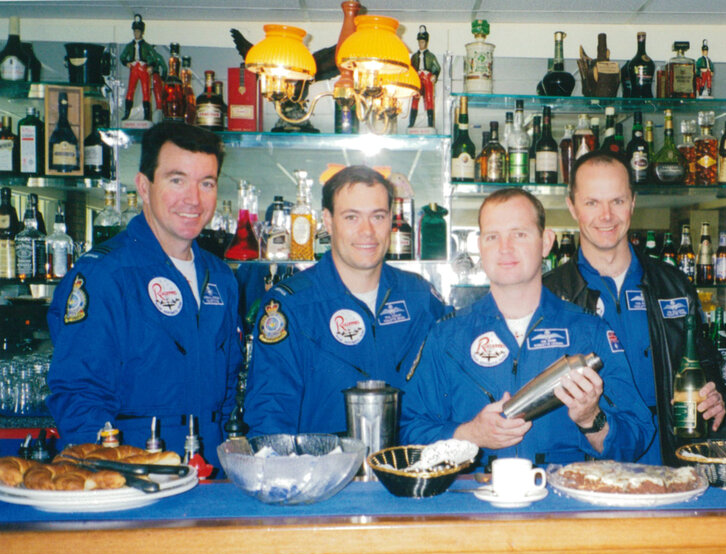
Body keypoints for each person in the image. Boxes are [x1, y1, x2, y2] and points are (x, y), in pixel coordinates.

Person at [402, 187, 654, 468]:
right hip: (474, 504)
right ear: (480, 245)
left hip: (562, 502)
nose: (505, 247)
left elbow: (637, 438)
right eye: (492, 236)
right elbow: (409, 435)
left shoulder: (589, 332)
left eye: (519, 234)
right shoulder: (447, 337)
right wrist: (471, 434)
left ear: (546, 242)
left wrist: (590, 419)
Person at [47, 122, 240, 467]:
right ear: (144, 186)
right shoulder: (106, 274)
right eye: (177, 180)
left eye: (206, 183)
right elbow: (80, 398)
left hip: (210, 474)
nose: (193, 199)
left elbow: (227, 394)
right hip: (134, 477)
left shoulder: (221, 278)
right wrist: (112, 481)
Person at [543, 150, 726, 465]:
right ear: (572, 207)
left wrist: (715, 394)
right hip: (582, 471)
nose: (606, 216)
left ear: (633, 203)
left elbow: (707, 361)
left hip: (668, 465)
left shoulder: (675, 286)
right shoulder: (549, 294)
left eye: (617, 201)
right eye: (592, 203)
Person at [244, 166, 447, 435]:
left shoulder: (419, 297)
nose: (367, 231)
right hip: (323, 473)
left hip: (407, 470)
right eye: (352, 217)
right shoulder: (292, 307)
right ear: (328, 222)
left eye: (378, 216)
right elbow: (270, 421)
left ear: (390, 220)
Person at [119, 14, 165, 122]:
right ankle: (127, 113)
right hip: (134, 68)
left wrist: (151, 66)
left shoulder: (147, 46)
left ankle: (147, 115)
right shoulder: (129, 46)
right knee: (130, 90)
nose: (136, 34)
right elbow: (122, 57)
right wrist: (127, 63)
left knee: (146, 91)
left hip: (144, 68)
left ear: (141, 32)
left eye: (138, 32)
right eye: (135, 32)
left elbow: (154, 58)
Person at [408, 25, 440, 129]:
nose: (421, 44)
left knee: (429, 99)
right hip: (417, 78)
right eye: (419, 42)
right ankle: (411, 123)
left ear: (426, 42)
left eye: (422, 42)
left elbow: (437, 67)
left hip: (427, 77)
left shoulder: (431, 56)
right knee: (415, 98)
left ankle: (430, 124)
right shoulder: (414, 56)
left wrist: (434, 74)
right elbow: (411, 67)